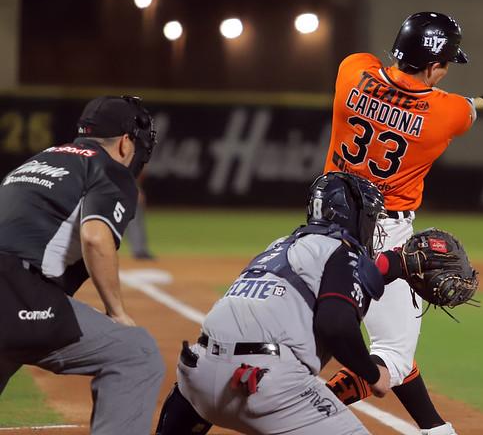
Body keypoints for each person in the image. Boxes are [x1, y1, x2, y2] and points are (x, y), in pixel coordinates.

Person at [323, 12, 483, 435]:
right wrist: (468, 102)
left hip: (324, 223)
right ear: (432, 66)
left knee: (358, 334)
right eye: (445, 65)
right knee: (391, 355)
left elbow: (384, 79)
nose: (445, 73)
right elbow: (463, 111)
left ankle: (434, 428)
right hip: (383, 234)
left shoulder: (352, 69)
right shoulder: (447, 113)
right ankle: (306, 406)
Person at [155, 172, 391, 435]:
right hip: (263, 384)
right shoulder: (340, 249)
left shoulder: (277, 247)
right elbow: (336, 325)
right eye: (371, 216)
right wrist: (373, 375)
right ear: (352, 214)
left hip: (196, 375)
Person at [0, 95, 163, 434]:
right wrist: (116, 311)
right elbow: (95, 238)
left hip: (13, 297)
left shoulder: (38, 161)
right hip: (16, 292)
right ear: (124, 143)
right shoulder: (109, 169)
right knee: (137, 353)